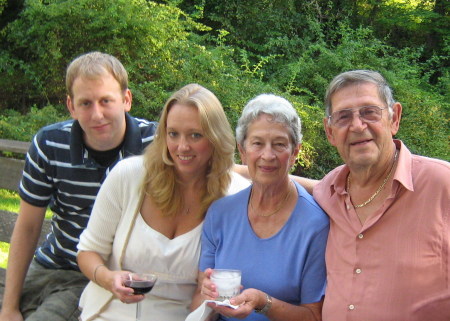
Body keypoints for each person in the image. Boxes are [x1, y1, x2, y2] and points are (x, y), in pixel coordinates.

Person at [0, 52, 158, 321]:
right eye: (86, 103)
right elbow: (27, 228)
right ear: (71, 107)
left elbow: (211, 168)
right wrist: (9, 307)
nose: (97, 114)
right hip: (49, 263)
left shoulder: (155, 144)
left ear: (126, 100)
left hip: (97, 275)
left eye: (106, 100)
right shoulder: (50, 145)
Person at [76, 83, 251, 321]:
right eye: (173, 133)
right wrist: (109, 279)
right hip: (111, 312)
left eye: (195, 135)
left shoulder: (235, 196)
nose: (182, 146)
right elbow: (88, 252)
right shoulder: (129, 176)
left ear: (215, 138)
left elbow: (215, 289)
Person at [313, 70, 450, 320]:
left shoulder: (442, 185)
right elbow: (290, 185)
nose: (357, 125)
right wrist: (229, 168)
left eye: (369, 112)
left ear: (394, 118)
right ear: (330, 132)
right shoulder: (328, 191)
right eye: (343, 117)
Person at [192, 94, 329, 321]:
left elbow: (314, 316)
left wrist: (264, 303)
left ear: (295, 152)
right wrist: (206, 294)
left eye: (279, 144)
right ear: (243, 151)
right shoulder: (220, 214)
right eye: (257, 143)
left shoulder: (315, 224)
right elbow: (200, 299)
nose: (268, 155)